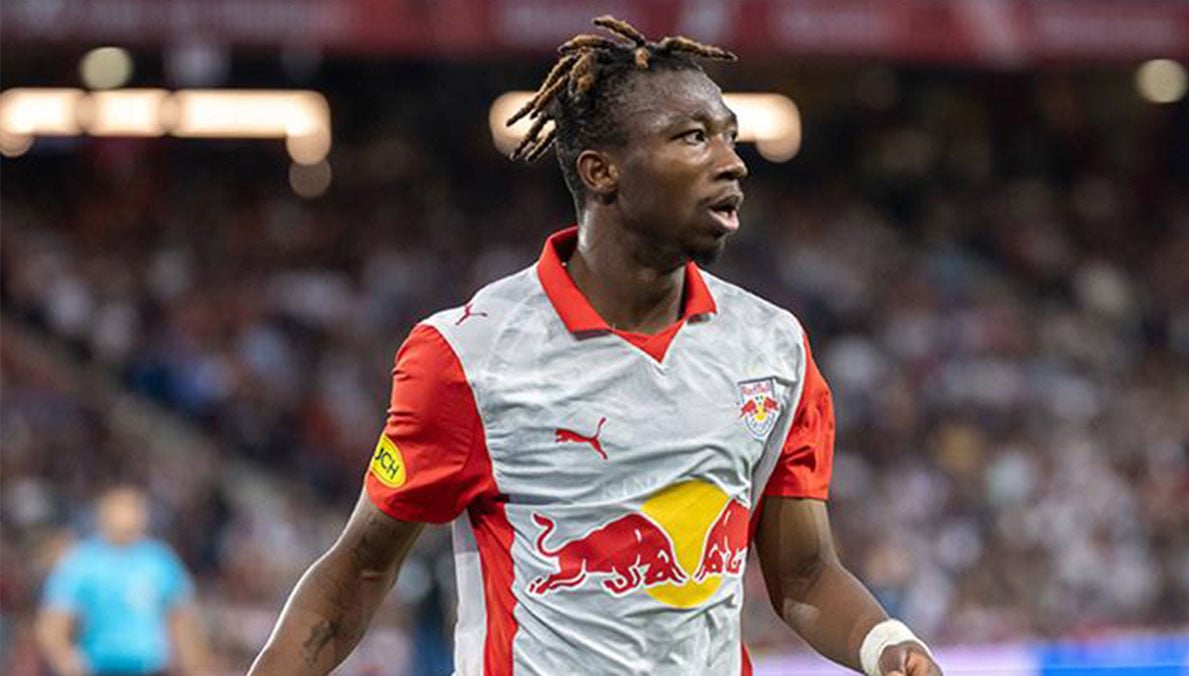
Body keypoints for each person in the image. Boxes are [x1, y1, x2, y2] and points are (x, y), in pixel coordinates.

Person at [249, 16, 942, 676]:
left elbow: (806, 574)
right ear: (600, 171)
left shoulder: (773, 348)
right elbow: (359, 569)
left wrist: (887, 646)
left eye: (730, 137)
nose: (733, 163)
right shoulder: (469, 356)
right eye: (694, 138)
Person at [36, 486, 209, 676]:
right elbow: (55, 620)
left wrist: (196, 667)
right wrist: (65, 659)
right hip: (100, 666)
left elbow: (181, 619)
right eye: (121, 508)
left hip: (150, 667)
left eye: (134, 508)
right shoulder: (81, 563)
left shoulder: (159, 561)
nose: (128, 516)